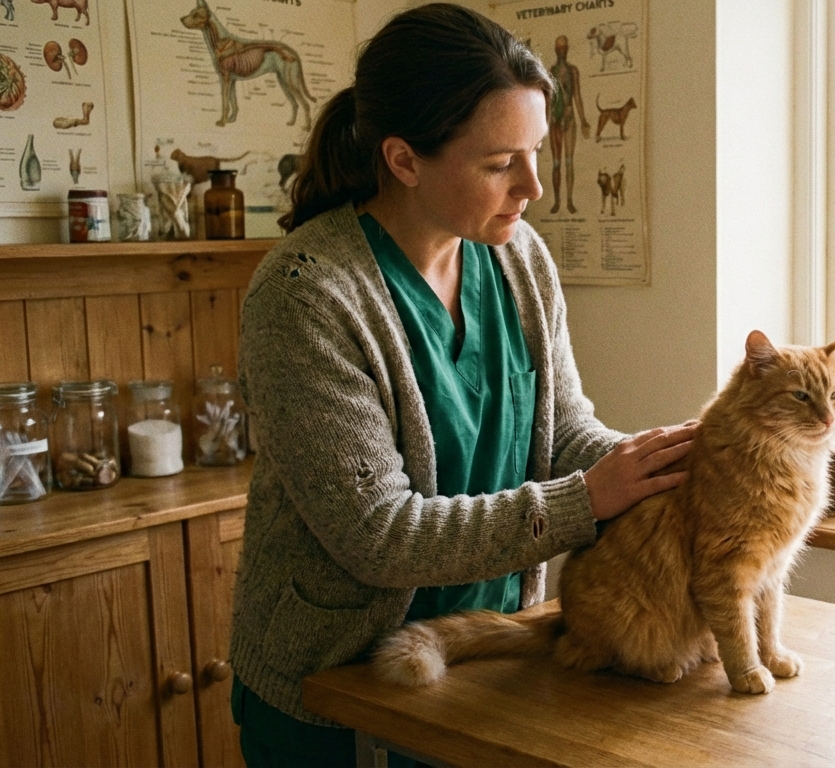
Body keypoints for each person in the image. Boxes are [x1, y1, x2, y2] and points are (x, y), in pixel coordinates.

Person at [230, 5, 693, 765]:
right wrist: (590, 500)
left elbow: (562, 432)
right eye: (498, 163)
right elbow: (377, 534)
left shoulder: (519, 259)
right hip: (337, 696)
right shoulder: (306, 294)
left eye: (538, 151)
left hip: (486, 661)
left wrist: (665, 469)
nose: (534, 186)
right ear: (404, 159)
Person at [546, 34, 589, 214]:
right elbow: (547, 102)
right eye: (559, 48)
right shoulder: (550, 72)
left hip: (570, 120)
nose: (561, 51)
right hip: (555, 121)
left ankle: (569, 201)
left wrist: (583, 120)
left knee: (569, 162)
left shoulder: (573, 71)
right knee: (556, 164)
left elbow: (577, 96)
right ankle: (557, 202)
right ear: (556, 50)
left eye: (564, 48)